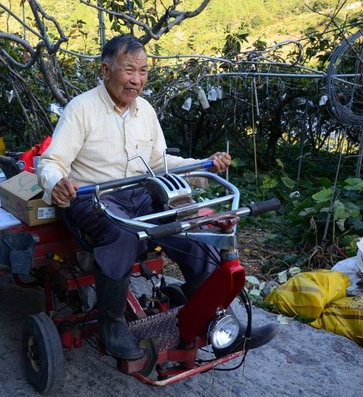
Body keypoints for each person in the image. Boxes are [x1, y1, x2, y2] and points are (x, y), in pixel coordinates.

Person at [36, 34, 276, 360]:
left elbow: (161, 163)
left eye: (144, 71)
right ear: (106, 70)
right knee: (123, 234)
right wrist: (57, 182)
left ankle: (216, 321)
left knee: (191, 228)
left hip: (140, 192)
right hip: (93, 198)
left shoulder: (145, 111)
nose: (137, 80)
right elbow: (51, 161)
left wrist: (204, 165)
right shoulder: (81, 109)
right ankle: (112, 323)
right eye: (128, 70)